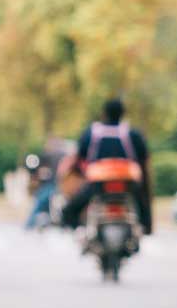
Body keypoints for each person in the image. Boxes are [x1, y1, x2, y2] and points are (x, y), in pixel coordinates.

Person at [59, 98, 153, 234]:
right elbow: (143, 161)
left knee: (72, 209)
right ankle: (146, 228)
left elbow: (79, 157)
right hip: (127, 181)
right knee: (142, 203)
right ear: (123, 114)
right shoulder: (132, 134)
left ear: (104, 113)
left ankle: (78, 230)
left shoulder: (92, 133)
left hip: (99, 182)